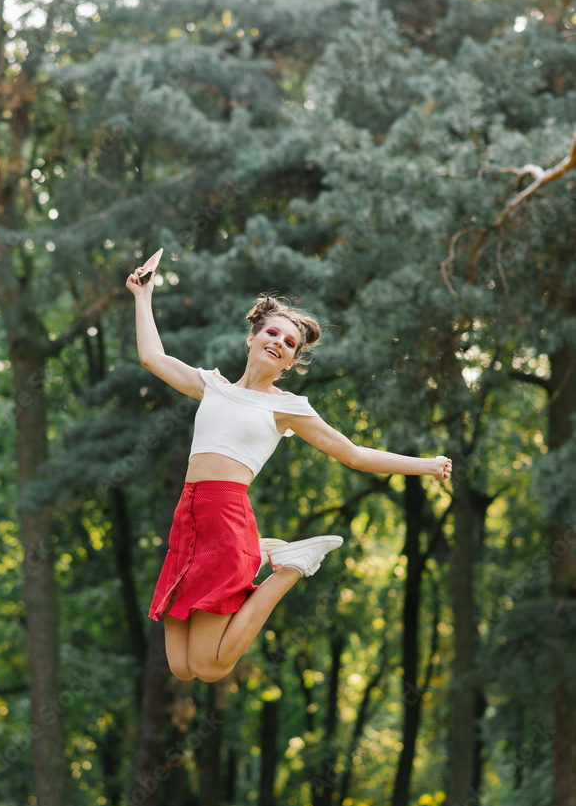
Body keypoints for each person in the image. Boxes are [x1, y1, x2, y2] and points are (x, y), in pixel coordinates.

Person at [126, 259, 452, 683]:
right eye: (272, 332)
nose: (279, 342)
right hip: (187, 518)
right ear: (252, 338)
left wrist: (426, 465)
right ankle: (261, 555)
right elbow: (152, 357)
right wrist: (143, 296)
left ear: (291, 362)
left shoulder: (287, 408)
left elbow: (353, 454)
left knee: (208, 668)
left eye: (290, 343)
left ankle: (292, 567)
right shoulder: (213, 386)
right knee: (182, 668)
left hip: (226, 518)